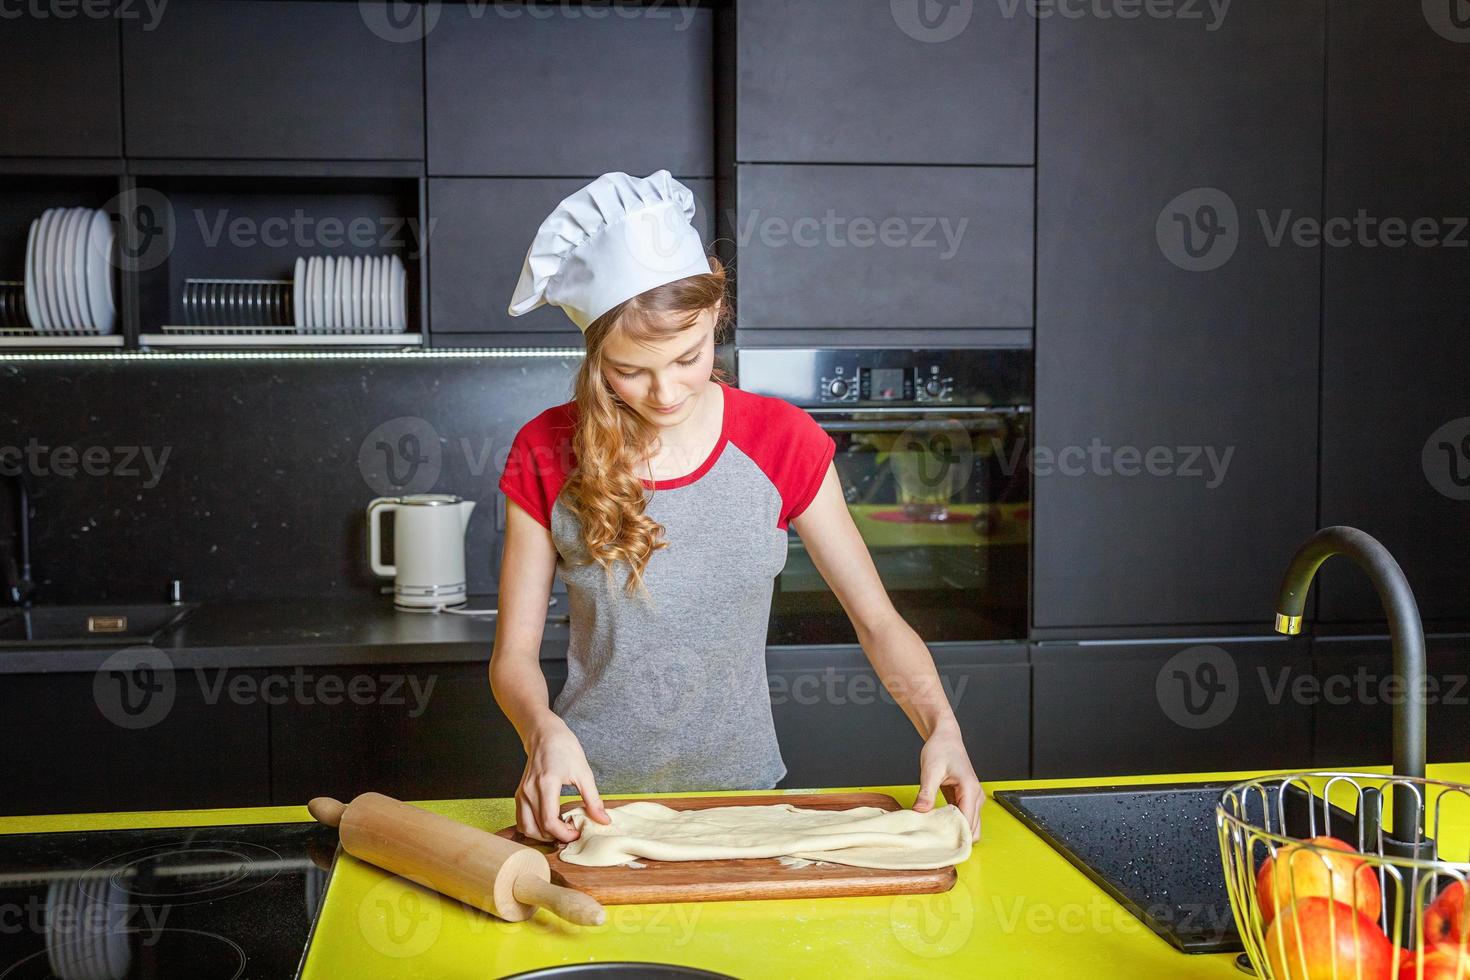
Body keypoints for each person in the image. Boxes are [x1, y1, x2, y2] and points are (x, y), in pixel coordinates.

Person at [490, 170, 983, 846]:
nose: (664, 392)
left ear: (716, 311)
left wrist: (942, 726)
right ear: (594, 354)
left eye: (688, 356)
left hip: (743, 804)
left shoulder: (781, 441)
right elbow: (512, 656)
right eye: (629, 370)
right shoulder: (544, 450)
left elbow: (876, 621)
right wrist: (542, 731)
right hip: (588, 804)